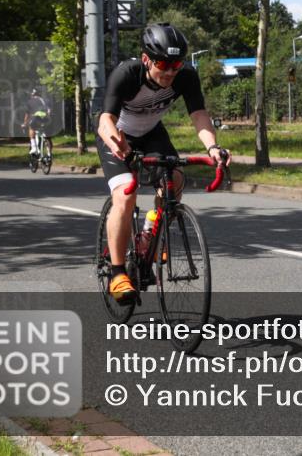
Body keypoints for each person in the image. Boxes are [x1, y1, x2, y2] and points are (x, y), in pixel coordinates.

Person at [97, 23, 231, 303]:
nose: (170, 71)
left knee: (176, 179)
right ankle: (118, 273)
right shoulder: (127, 74)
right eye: (163, 64)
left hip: (152, 134)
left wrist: (213, 147)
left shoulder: (185, 76)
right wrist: (117, 145)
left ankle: (149, 233)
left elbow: (198, 114)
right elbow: (104, 121)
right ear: (146, 59)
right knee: (125, 194)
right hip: (119, 135)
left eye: (176, 64)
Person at [23, 89, 50, 156]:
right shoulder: (46, 101)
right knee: (47, 137)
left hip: (36, 119)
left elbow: (27, 115)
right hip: (46, 119)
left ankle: (34, 147)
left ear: (32, 95)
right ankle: (49, 154)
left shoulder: (30, 102)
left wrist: (24, 123)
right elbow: (49, 111)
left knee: (31, 128)